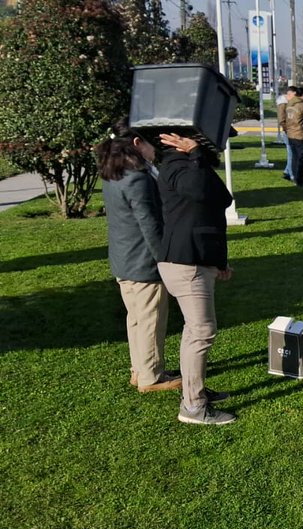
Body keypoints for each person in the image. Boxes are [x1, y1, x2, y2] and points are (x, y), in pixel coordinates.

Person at [156, 132, 237, 425]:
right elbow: (201, 192)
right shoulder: (177, 166)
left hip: (196, 260)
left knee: (195, 331)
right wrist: (195, 156)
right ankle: (192, 406)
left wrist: (218, 262)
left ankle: (195, 391)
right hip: (185, 262)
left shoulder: (191, 166)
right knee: (202, 332)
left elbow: (222, 199)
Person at [96, 118, 181, 393]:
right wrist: (165, 262)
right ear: (136, 143)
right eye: (149, 143)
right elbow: (151, 226)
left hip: (124, 260)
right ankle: (151, 377)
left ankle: (140, 369)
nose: (153, 149)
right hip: (143, 261)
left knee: (135, 318)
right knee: (150, 320)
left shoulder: (114, 173)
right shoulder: (138, 179)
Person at [284, 86, 303, 186]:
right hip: (300, 135)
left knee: (294, 158)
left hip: (290, 134)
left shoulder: (289, 104)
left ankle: (295, 178)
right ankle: (300, 180)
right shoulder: (302, 106)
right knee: (302, 159)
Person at [277, 88, 294, 181]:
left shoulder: (286, 104)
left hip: (289, 130)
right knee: (291, 152)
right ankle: (291, 174)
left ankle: (287, 171)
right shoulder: (283, 104)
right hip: (288, 131)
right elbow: (282, 119)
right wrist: (287, 129)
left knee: (291, 152)